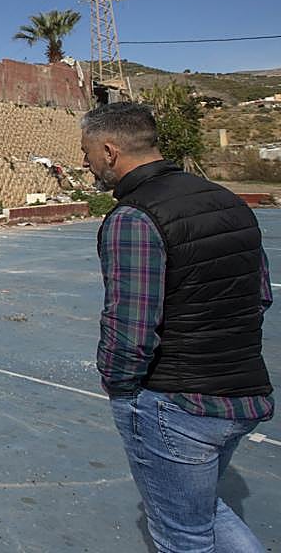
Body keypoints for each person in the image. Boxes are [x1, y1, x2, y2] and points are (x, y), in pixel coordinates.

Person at [81, 102, 272, 551]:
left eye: (86, 152)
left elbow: (130, 329)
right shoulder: (226, 199)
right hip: (243, 390)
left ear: (109, 151)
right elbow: (260, 295)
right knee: (203, 514)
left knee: (182, 537)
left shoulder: (134, 218)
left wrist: (120, 389)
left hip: (176, 403)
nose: (84, 163)